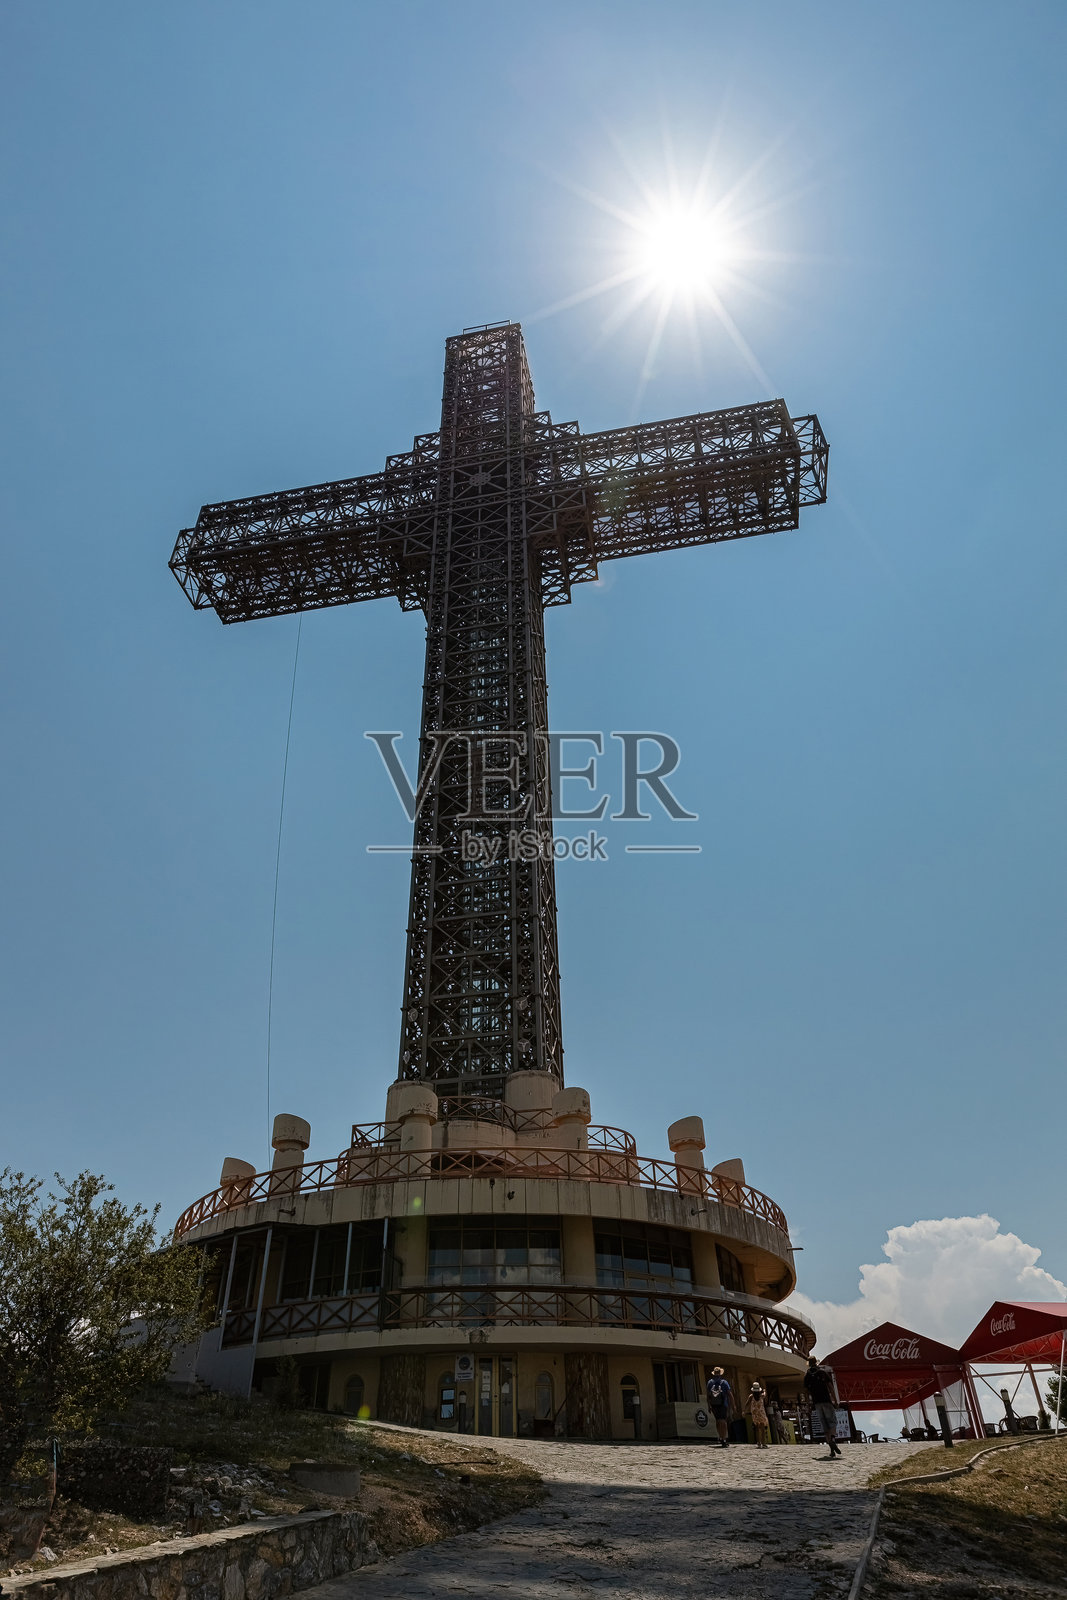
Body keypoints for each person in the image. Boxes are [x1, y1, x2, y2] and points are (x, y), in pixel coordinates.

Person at [804, 1355, 842, 1458]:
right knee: (832, 1422)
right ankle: (833, 1439)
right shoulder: (822, 1373)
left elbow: (806, 1392)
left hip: (817, 1403)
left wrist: (808, 1405)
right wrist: (835, 1401)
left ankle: (831, 1449)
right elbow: (830, 1387)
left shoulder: (807, 1376)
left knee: (825, 1426)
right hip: (826, 1400)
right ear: (816, 1362)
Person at [706, 1366, 733, 1447]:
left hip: (714, 1404)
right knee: (723, 1421)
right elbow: (729, 1394)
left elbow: (708, 1395)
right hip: (723, 1404)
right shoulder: (724, 1382)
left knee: (718, 1421)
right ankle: (724, 1438)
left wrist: (709, 1405)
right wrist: (733, 1405)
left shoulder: (710, 1382)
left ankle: (720, 1437)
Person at [745, 1383, 771, 1448]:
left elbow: (747, 1403)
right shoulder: (761, 1396)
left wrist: (744, 1411)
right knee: (762, 1429)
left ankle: (758, 1443)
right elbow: (765, 1394)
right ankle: (763, 1443)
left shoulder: (751, 1396)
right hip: (761, 1413)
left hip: (755, 1414)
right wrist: (764, 1390)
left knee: (757, 1428)